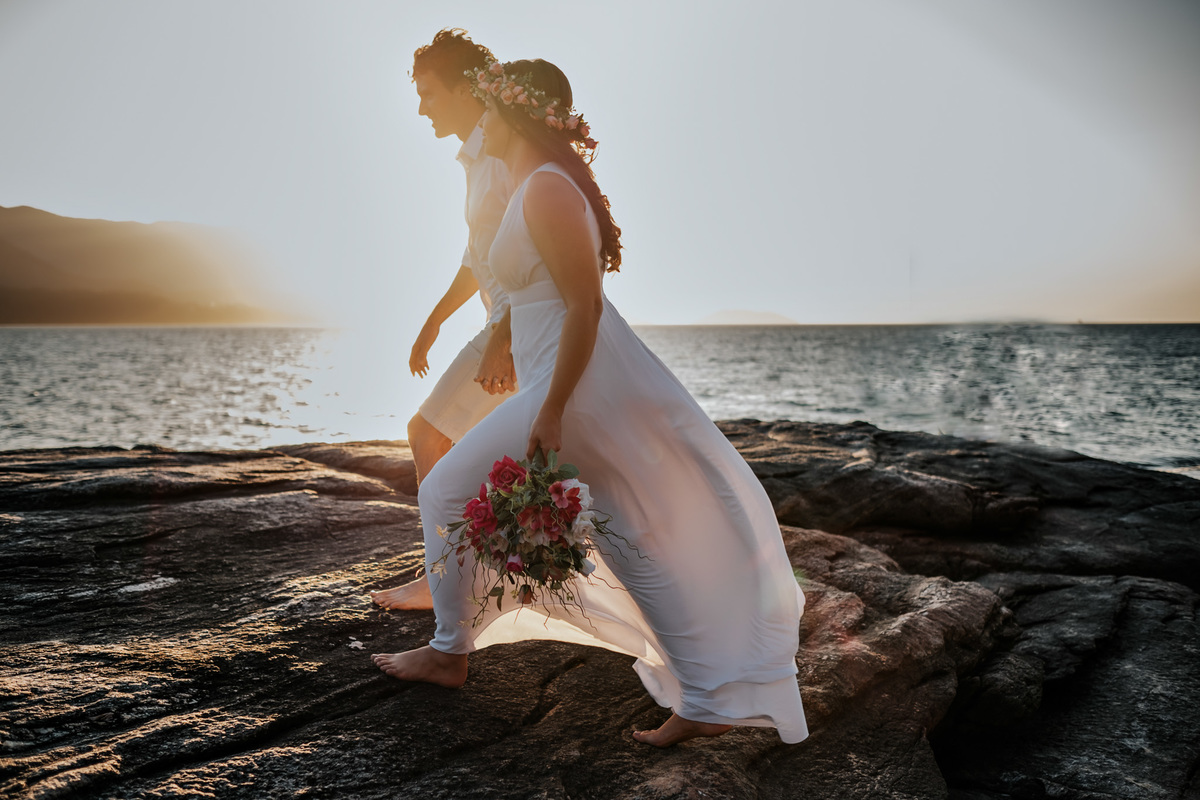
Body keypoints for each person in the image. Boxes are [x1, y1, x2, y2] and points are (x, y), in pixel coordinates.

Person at [372, 59, 808, 748]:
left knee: (446, 490)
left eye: (487, 105)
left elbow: (586, 305)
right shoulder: (531, 183)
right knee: (628, 544)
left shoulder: (547, 187)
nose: (478, 119)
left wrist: (551, 408)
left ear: (512, 111)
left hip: (568, 388)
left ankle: (449, 651)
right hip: (560, 382)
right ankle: (704, 700)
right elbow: (536, 295)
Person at [371, 29, 515, 612]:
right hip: (506, 324)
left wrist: (503, 337)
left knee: (427, 433)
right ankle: (477, 569)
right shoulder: (476, 159)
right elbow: (477, 258)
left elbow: (533, 254)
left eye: (428, 93)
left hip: (516, 327)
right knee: (492, 456)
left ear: (464, 89)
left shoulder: (502, 155)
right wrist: (433, 322)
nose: (421, 109)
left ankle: (444, 581)